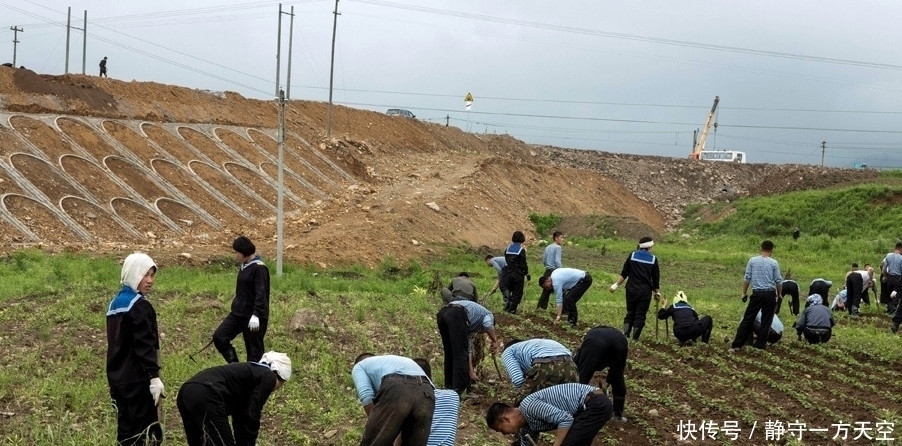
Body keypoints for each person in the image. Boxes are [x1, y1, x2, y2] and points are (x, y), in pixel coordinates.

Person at [106, 252, 163, 446]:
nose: (149, 281)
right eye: (145, 275)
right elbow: (144, 344)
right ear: (133, 274)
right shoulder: (139, 306)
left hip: (117, 379)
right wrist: (154, 377)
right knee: (146, 431)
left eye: (152, 275)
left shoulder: (115, 304)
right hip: (137, 379)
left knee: (126, 431)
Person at [176, 351, 291, 446]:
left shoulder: (246, 378)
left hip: (187, 391)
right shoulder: (269, 376)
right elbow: (253, 413)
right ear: (279, 376)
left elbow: (241, 419)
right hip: (207, 393)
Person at [486, 383, 613, 446]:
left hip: (594, 403)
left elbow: (565, 419)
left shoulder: (529, 406)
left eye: (500, 429)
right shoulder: (526, 428)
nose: (503, 434)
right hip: (584, 411)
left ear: (505, 419)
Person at [351, 354, 435, 446]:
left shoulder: (359, 367)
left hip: (398, 388)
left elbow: (366, 396)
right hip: (427, 392)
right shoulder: (389, 364)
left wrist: (377, 425)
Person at [213, 236, 270, 363]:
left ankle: (255, 380)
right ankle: (235, 366)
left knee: (254, 353)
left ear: (244, 252)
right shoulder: (244, 265)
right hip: (238, 313)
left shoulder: (259, 268)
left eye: (237, 252)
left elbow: (261, 294)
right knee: (219, 336)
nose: (236, 255)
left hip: (253, 317)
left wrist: (256, 315)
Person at [436, 299, 501, 394]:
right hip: (457, 313)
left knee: (451, 353)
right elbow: (488, 325)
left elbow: (468, 350)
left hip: (443, 313)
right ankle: (459, 391)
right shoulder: (489, 315)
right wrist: (495, 341)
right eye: (483, 332)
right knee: (460, 356)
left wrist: (471, 371)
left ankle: (449, 388)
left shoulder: (469, 327)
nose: (481, 333)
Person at [731, 240, 782, 351]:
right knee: (766, 321)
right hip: (770, 294)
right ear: (771, 250)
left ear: (761, 249)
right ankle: (760, 346)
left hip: (757, 293)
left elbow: (747, 278)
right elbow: (778, 280)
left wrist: (744, 293)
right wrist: (779, 294)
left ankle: (737, 345)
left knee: (748, 318)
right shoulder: (774, 263)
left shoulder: (753, 261)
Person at [573, 326, 629, 423]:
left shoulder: (589, 340)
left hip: (596, 342)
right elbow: (616, 370)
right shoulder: (616, 335)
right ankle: (617, 415)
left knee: (583, 375)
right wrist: (610, 381)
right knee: (618, 376)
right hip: (621, 342)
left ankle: (574, 409)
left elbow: (578, 365)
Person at [610, 236, 661, 340]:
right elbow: (655, 279)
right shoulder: (653, 259)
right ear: (650, 247)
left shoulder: (632, 255)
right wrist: (657, 292)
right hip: (645, 291)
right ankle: (635, 338)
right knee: (640, 315)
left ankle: (626, 334)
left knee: (630, 312)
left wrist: (615, 285)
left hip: (631, 289)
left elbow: (624, 273)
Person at [500, 338, 578, 398]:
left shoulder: (508, 351)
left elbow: (518, 381)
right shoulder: (532, 345)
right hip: (571, 366)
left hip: (547, 365)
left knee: (525, 404)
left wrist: (522, 394)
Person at [503, 231, 530, 314]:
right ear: (522, 239)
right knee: (517, 292)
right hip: (518, 274)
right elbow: (523, 263)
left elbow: (507, 260)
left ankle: (507, 307)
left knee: (510, 290)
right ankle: (512, 309)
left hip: (508, 273)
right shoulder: (521, 250)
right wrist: (526, 273)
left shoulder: (507, 249)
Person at [537, 232, 564, 310]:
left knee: (546, 291)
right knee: (562, 289)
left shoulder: (548, 247)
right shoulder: (558, 248)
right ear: (556, 238)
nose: (562, 239)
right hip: (554, 271)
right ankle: (564, 309)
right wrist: (561, 271)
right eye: (561, 237)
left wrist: (548, 266)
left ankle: (540, 307)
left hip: (547, 270)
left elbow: (544, 260)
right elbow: (557, 261)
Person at [884, 242, 902, 316]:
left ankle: (889, 309)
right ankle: (893, 309)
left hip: (889, 277)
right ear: (901, 249)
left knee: (888, 293)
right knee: (896, 295)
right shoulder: (901, 258)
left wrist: (885, 276)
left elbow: (884, 268)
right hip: (898, 278)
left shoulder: (888, 256)